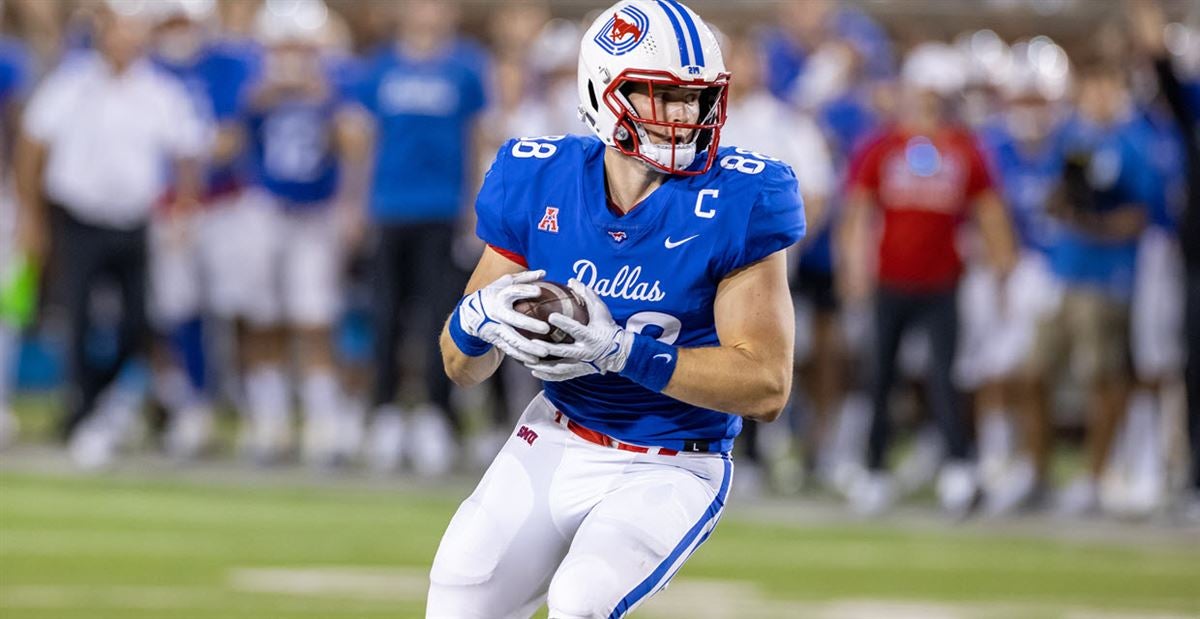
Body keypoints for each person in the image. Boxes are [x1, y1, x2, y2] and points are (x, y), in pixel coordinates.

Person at [426, 1, 804, 616]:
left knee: (583, 597)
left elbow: (766, 385)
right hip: (554, 432)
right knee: (462, 585)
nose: (684, 115)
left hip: (673, 461)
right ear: (604, 93)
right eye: (661, 95)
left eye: (695, 97)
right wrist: (475, 322)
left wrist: (621, 352)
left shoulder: (740, 197)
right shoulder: (539, 177)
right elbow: (461, 368)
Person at [14, 4, 206, 468]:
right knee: (77, 318)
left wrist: (183, 210)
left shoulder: (160, 90)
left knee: (139, 321)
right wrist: (32, 217)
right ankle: (81, 413)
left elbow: (187, 151)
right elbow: (33, 145)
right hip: (78, 219)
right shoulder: (72, 82)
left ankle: (105, 404)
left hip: (133, 222)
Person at [838, 42, 1017, 517]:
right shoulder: (881, 145)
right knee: (881, 378)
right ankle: (875, 467)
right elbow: (856, 211)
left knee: (944, 378)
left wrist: (1003, 267)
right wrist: (853, 267)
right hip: (890, 280)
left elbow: (989, 210)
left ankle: (958, 465)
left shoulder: (965, 148)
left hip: (942, 282)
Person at [354, 0, 490, 476]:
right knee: (387, 314)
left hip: (440, 209)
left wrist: (476, 205)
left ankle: (436, 412)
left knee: (439, 314)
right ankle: (387, 411)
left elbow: (475, 138)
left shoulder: (466, 68)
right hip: (390, 207)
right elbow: (367, 140)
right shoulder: (381, 67)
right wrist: (355, 204)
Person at [233, 0, 369, 466]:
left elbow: (355, 142)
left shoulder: (338, 80)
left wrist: (323, 98)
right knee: (262, 317)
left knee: (314, 318)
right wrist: (264, 97)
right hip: (265, 206)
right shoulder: (253, 80)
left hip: (317, 210)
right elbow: (227, 141)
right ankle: (268, 422)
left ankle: (322, 422)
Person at [1017, 59, 1153, 516]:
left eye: (1105, 86)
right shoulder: (1068, 135)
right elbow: (1052, 193)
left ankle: (1096, 476)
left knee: (1101, 377)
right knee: (1034, 372)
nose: (1096, 96)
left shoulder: (1135, 142)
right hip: (1061, 270)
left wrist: (1091, 221)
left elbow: (1141, 216)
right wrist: (1061, 203)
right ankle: (1037, 473)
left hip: (1106, 274)